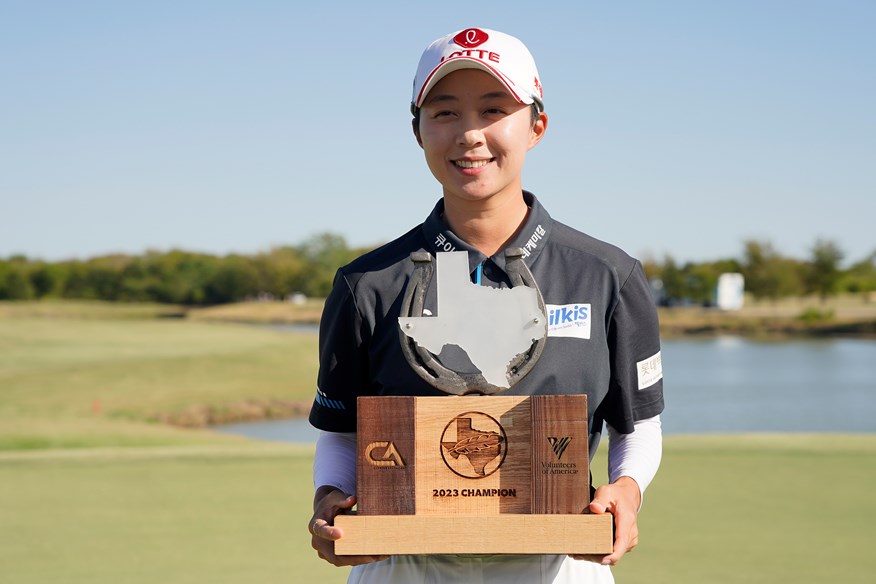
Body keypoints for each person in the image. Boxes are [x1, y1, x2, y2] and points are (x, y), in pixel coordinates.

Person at [307, 27, 665, 584]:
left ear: (536, 125)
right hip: (404, 566)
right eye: (445, 113)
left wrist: (628, 490)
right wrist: (330, 498)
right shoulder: (365, 284)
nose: (470, 134)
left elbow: (637, 425)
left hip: (559, 563)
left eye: (494, 109)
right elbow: (341, 430)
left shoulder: (608, 275)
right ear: (418, 131)